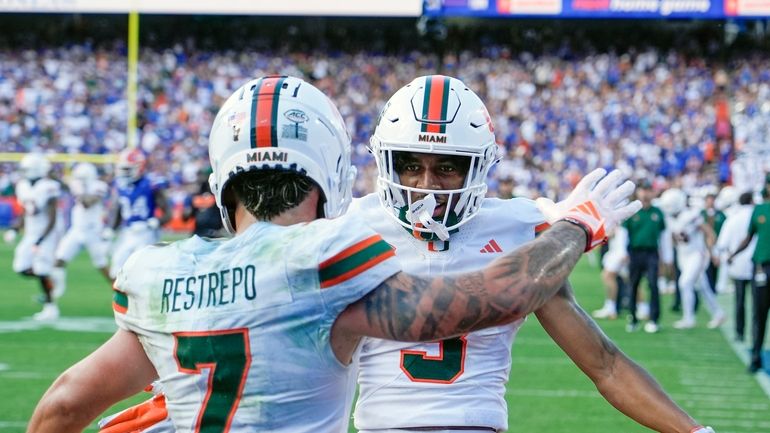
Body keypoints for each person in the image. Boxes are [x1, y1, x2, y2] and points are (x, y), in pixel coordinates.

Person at [26, 75, 644, 433]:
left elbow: (60, 406)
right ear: (334, 166)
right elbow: (495, 298)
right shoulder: (330, 259)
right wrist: (577, 227)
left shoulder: (154, 274)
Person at [351, 75, 713, 433]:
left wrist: (695, 431)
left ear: (479, 167)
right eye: (411, 165)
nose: (426, 184)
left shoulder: (517, 229)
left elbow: (605, 365)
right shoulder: (350, 227)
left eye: (446, 167)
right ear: (387, 162)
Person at [659, 188, 725, 330]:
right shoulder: (669, 219)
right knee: (702, 286)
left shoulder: (691, 215)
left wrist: (713, 252)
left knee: (684, 283)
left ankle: (689, 318)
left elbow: (709, 232)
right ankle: (718, 313)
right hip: (683, 255)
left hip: (697, 254)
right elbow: (672, 239)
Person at [10, 153, 64, 321]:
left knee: (41, 269)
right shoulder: (23, 185)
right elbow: (26, 211)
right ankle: (52, 277)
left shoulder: (48, 186)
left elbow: (52, 217)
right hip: (32, 232)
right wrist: (15, 228)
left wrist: (41, 240)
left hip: (48, 231)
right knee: (21, 267)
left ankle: (50, 307)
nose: (24, 172)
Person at [107, 148, 171, 279]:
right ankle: (123, 299)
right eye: (123, 169)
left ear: (139, 167)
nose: (124, 173)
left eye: (128, 169)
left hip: (146, 232)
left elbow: (168, 213)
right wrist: (111, 229)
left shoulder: (151, 184)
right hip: (127, 232)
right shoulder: (120, 185)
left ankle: (142, 298)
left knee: (140, 269)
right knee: (115, 270)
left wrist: (157, 221)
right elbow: (118, 210)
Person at [729, 175, 770, 373]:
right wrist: (734, 253)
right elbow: (749, 237)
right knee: (759, 313)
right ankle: (756, 356)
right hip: (762, 266)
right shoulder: (759, 210)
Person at [53, 162, 112, 296]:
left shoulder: (99, 186)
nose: (79, 181)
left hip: (93, 232)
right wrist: (56, 177)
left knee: (102, 266)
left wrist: (77, 190)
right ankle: (56, 291)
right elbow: (62, 185)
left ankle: (120, 292)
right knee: (59, 260)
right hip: (76, 230)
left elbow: (87, 203)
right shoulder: (76, 185)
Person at [622, 180, 666, 333]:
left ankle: (654, 319)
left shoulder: (657, 212)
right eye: (643, 190)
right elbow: (624, 233)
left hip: (651, 252)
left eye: (648, 190)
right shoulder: (632, 211)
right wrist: (623, 253)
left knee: (653, 285)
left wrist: (666, 259)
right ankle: (633, 318)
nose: (646, 193)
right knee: (633, 285)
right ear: (638, 192)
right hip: (635, 252)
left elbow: (663, 235)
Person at [715, 191, 756, 342]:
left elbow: (722, 243)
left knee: (740, 301)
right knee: (758, 304)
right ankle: (756, 335)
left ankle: (740, 332)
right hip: (756, 264)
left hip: (737, 264)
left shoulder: (733, 218)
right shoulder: (756, 215)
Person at [592, 226, 629, 320]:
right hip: (617, 250)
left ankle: (611, 308)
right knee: (629, 280)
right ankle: (642, 308)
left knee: (608, 277)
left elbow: (613, 233)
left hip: (620, 252)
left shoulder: (623, 221)